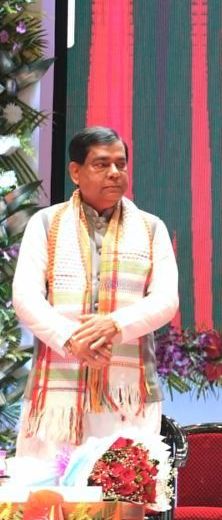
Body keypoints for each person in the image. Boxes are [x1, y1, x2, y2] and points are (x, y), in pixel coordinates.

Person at [13, 127, 179, 459]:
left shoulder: (151, 227)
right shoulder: (46, 223)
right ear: (75, 171)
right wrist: (71, 338)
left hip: (126, 394)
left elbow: (165, 300)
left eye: (121, 164)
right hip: (57, 401)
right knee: (49, 502)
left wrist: (115, 324)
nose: (115, 173)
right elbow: (25, 297)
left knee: (124, 500)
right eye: (101, 164)